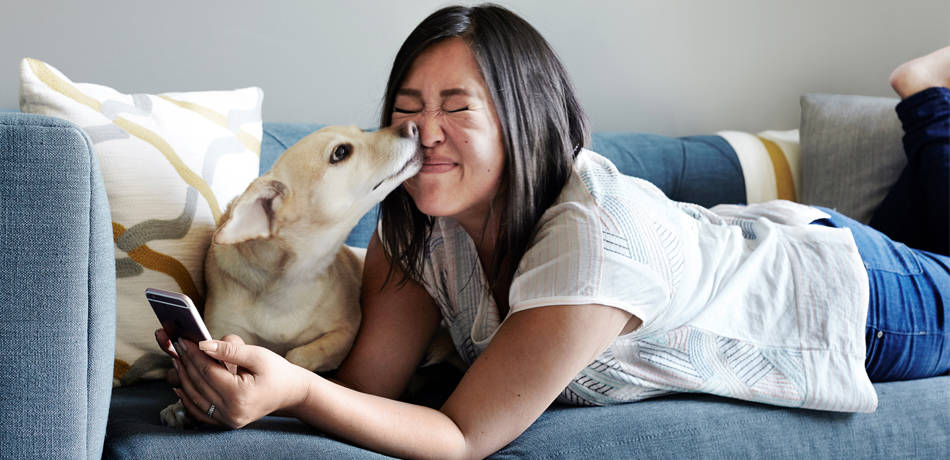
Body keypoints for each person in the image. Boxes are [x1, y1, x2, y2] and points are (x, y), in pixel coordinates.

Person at [156, 4, 950, 458]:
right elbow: (366, 393)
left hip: (849, 296)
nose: (421, 133)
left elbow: (463, 435)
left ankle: (926, 102)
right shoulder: (414, 225)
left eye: (457, 108)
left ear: (522, 119)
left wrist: (293, 388)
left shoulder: (592, 239)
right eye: (406, 109)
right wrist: (249, 383)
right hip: (743, 242)